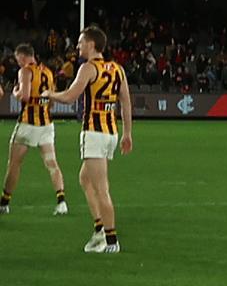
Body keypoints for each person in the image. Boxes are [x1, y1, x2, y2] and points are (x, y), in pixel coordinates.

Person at [44, 26, 133, 254]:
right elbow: (125, 102)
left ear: (92, 44)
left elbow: (71, 96)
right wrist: (127, 134)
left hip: (94, 134)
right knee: (84, 179)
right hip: (110, 133)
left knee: (101, 188)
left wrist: (50, 94)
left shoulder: (88, 68)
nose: (78, 46)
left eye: (81, 42)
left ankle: (110, 240)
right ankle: (98, 229)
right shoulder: (117, 69)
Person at [1, 44, 68, 216]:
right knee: (52, 164)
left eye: (18, 60)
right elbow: (51, 100)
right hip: (46, 125)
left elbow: (24, 96)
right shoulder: (47, 71)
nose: (18, 63)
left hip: (27, 125)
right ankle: (61, 202)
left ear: (22, 57)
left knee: (14, 164)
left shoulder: (25, 71)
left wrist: (15, 91)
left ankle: (4, 203)